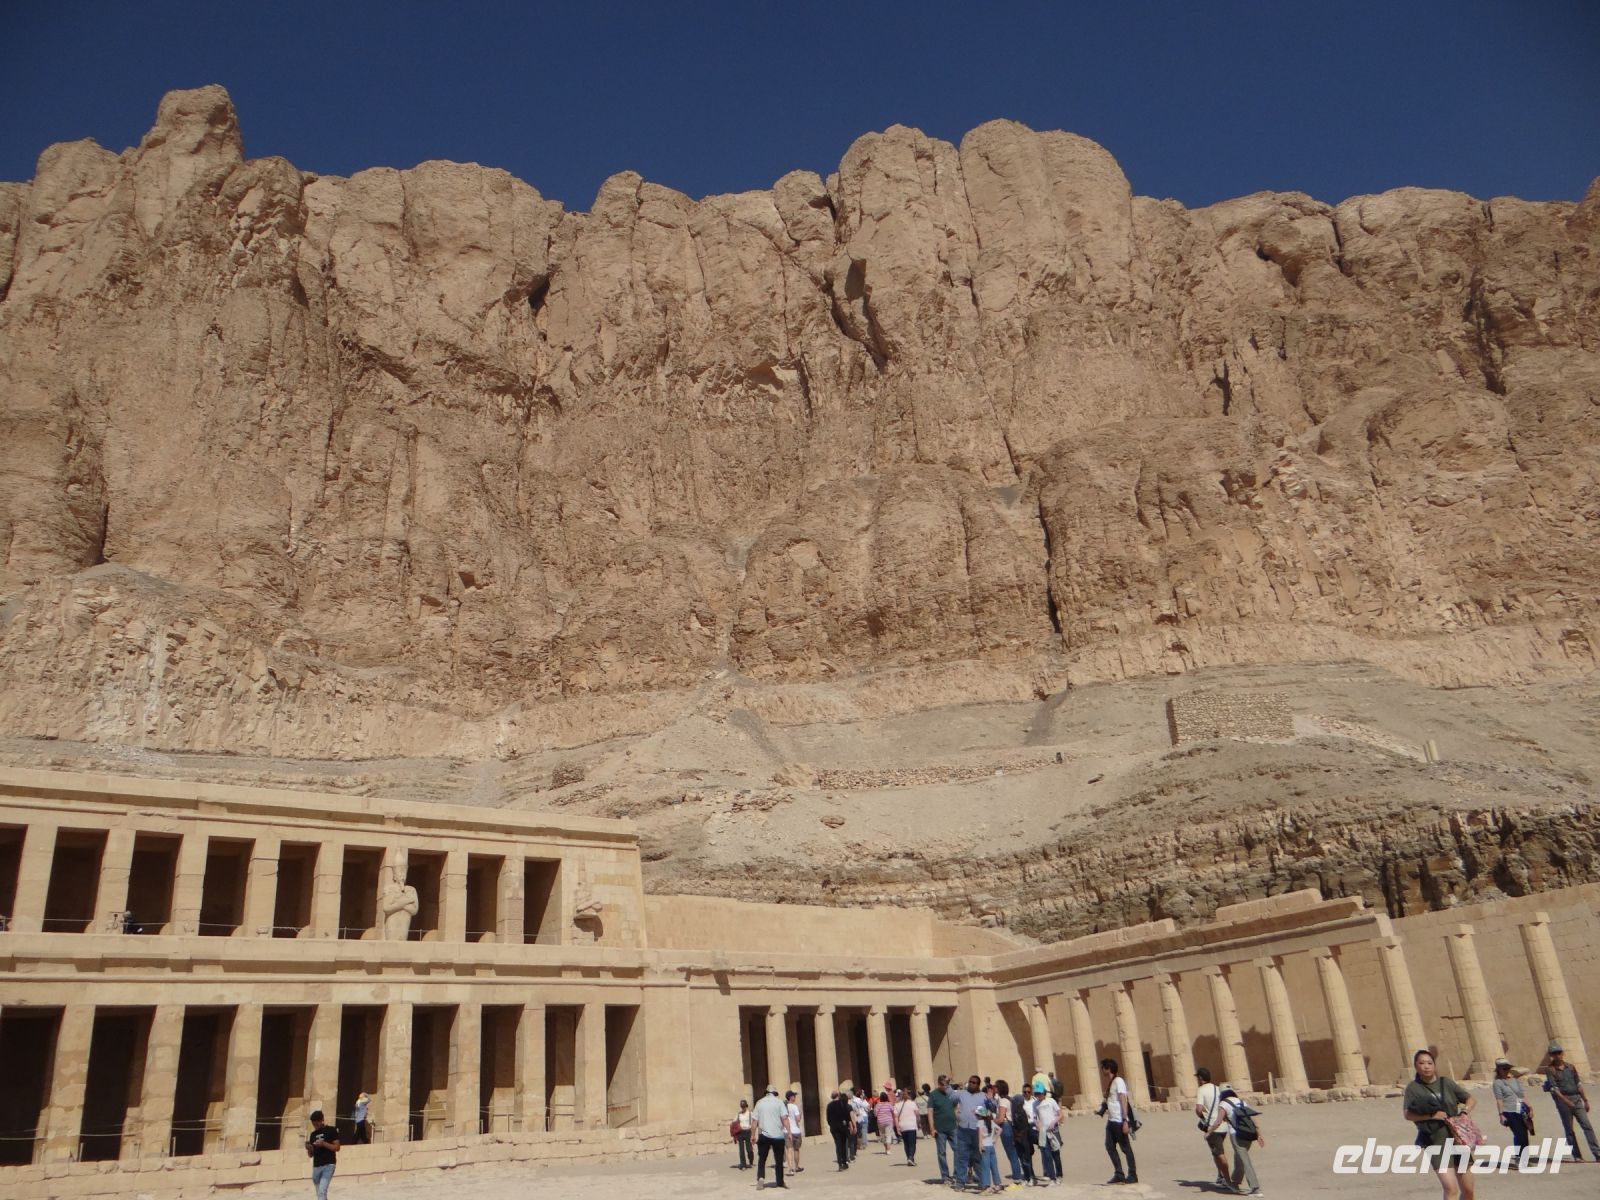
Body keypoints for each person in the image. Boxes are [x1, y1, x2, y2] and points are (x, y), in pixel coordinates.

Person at [1403, 1049, 1476, 1200]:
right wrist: (1431, 1115)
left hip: (1457, 1139)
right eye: (1422, 1063)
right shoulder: (1413, 1088)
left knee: (1468, 1190)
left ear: (1434, 1065)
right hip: (1435, 1141)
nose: (1426, 1066)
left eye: (1429, 1063)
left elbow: (1469, 1099)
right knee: (1450, 1188)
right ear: (1416, 1066)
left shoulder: (1446, 1083)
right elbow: (1407, 1114)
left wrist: (1465, 1112)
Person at [1543, 1042, 1600, 1161]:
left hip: (1576, 1098)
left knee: (1587, 1125)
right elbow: (1555, 1089)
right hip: (1563, 1101)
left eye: (1559, 1053)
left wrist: (1585, 1100)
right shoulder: (1550, 1070)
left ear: (1562, 1053)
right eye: (1554, 1053)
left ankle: (1597, 1153)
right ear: (1551, 1055)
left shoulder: (1571, 1067)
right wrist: (1566, 1101)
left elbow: (1578, 1084)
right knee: (1569, 1129)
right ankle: (1577, 1155)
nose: (1557, 1055)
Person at [1219, 1085, 1265, 1196]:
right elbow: (1252, 1117)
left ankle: (1255, 1188)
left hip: (1236, 1134)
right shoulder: (1240, 1101)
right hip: (1248, 1133)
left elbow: (1218, 1120)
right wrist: (1258, 1133)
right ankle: (1235, 1183)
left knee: (1244, 1161)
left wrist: (1209, 1131)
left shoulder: (1223, 1104)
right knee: (1239, 1158)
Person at [1099, 1058, 1138, 1185]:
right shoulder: (1112, 1082)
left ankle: (1132, 1175)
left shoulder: (1119, 1081)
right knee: (1109, 1146)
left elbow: (1123, 1099)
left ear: (1108, 1069)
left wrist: (1125, 1120)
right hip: (1111, 1120)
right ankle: (1119, 1173)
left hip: (1119, 1120)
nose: (1102, 1070)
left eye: (1103, 1067)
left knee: (1126, 1148)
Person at [1194, 1066, 1230, 1189]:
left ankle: (1227, 1179)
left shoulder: (1201, 1090)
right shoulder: (1217, 1088)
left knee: (1219, 1153)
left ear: (1200, 1078)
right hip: (1223, 1125)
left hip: (1212, 1127)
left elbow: (1198, 1109)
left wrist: (1202, 1116)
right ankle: (1220, 1176)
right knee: (1215, 1152)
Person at [951, 1074, 987, 1190]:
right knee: (962, 1157)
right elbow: (951, 1098)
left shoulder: (982, 1096)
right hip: (963, 1129)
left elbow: (984, 1113)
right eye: (970, 1082)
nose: (971, 1084)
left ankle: (983, 1181)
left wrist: (980, 1112)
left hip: (976, 1130)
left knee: (978, 1157)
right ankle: (960, 1183)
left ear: (978, 1085)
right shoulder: (962, 1094)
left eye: (974, 1082)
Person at [1491, 1059, 1528, 1169]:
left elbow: (1522, 1095)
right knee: (1519, 1134)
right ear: (1499, 1070)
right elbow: (1499, 1099)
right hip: (1509, 1111)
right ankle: (1518, 1158)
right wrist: (1501, 1115)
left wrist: (1529, 1107)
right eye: (1504, 1068)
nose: (1507, 1070)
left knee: (1525, 1135)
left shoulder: (1515, 1080)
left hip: (1520, 1109)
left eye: (1508, 1068)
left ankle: (1524, 1159)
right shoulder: (1497, 1083)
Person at [995, 1080, 1031, 1186]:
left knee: (1011, 1153)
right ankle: (1019, 1176)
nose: (994, 1088)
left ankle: (1017, 1178)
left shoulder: (1002, 1101)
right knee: (1013, 1152)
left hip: (1005, 1127)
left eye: (996, 1087)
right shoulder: (1009, 1099)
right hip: (1010, 1127)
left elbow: (1001, 1119)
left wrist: (990, 1121)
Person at [753, 1084, 789, 1188]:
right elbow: (785, 1119)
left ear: (766, 1093)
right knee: (778, 1160)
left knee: (762, 1159)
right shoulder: (779, 1102)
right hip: (778, 1135)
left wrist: (752, 1135)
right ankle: (780, 1181)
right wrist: (789, 1132)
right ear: (775, 1093)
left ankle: (761, 1178)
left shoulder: (759, 1103)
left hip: (764, 1135)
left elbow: (755, 1121)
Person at [928, 1074, 957, 1183]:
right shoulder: (933, 1095)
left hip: (953, 1127)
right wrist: (932, 1128)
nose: (946, 1086)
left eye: (947, 1084)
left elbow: (955, 1108)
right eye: (944, 1084)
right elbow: (930, 1112)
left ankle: (957, 1174)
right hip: (939, 1129)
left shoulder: (951, 1094)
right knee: (941, 1153)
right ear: (939, 1084)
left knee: (958, 1150)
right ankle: (945, 1176)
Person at [305, 1110, 340, 1200]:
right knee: (321, 1195)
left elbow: (337, 1147)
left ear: (321, 1120)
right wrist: (309, 1148)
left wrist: (324, 1144)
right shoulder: (313, 1134)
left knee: (321, 1192)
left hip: (329, 1165)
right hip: (316, 1167)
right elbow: (311, 1155)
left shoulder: (331, 1130)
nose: (315, 1126)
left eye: (316, 1124)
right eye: (313, 1124)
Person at [1035, 1079, 1061, 1184]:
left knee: (1056, 1153)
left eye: (1040, 1093)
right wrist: (1037, 1125)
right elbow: (1035, 1117)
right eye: (1036, 1093)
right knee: (1046, 1154)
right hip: (1043, 1132)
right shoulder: (1035, 1104)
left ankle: (1059, 1175)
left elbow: (1060, 1114)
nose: (1038, 1096)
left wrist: (1054, 1121)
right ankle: (1052, 1177)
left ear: (1044, 1092)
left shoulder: (1051, 1101)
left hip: (1053, 1130)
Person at [977, 1098, 1003, 1194]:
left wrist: (980, 1145)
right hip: (991, 1146)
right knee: (994, 1166)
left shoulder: (980, 1123)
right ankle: (997, 1184)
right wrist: (995, 1139)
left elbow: (980, 1135)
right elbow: (1000, 1130)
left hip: (985, 1146)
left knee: (985, 1167)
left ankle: (987, 1186)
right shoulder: (991, 1122)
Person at [825, 1089, 852, 1171]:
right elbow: (846, 1115)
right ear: (838, 1095)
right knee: (843, 1144)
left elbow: (828, 1118)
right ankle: (844, 1162)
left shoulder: (829, 1105)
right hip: (842, 1126)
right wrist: (848, 1124)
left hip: (834, 1127)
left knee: (838, 1145)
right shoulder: (842, 1104)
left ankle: (840, 1163)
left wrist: (831, 1125)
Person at [896, 1086, 920, 1164]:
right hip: (911, 1125)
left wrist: (897, 1127)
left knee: (906, 1143)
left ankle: (908, 1158)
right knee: (912, 1143)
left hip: (902, 1125)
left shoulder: (897, 1105)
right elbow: (917, 1114)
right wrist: (918, 1123)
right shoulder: (912, 1103)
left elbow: (895, 1117)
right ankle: (910, 1157)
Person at [784, 1089, 804, 1173]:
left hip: (786, 1131)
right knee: (796, 1149)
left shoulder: (784, 1107)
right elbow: (798, 1119)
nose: (795, 1097)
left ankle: (790, 1168)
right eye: (794, 1096)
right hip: (795, 1130)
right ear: (791, 1097)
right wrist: (800, 1113)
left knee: (789, 1149)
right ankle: (796, 1166)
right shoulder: (794, 1106)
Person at [733, 1097, 754, 1169]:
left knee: (749, 1149)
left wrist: (753, 1134)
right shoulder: (739, 1114)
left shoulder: (750, 1113)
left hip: (748, 1131)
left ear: (746, 1106)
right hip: (741, 1132)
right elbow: (734, 1122)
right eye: (742, 1106)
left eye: (744, 1106)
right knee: (741, 1149)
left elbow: (754, 1124)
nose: (743, 1108)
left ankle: (751, 1161)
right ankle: (743, 1164)